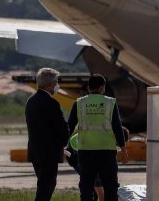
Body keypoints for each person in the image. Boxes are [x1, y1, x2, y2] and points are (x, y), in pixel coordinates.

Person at [67, 74, 126, 201]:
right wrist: (123, 148)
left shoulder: (79, 103)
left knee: (86, 187)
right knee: (110, 186)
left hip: (85, 151)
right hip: (107, 151)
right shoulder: (110, 103)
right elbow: (117, 127)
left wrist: (61, 145)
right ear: (102, 87)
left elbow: (69, 127)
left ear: (89, 88)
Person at [25, 67, 69, 201]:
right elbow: (61, 127)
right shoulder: (51, 102)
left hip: (35, 150)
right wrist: (65, 142)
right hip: (49, 152)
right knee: (46, 187)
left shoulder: (30, 101)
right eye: (56, 82)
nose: (57, 85)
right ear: (50, 85)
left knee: (44, 184)